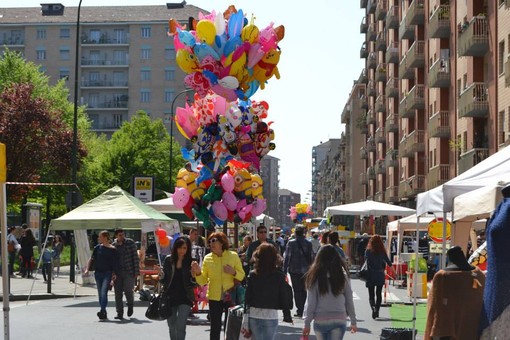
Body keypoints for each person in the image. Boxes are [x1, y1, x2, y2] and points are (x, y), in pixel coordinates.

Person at [191, 232, 245, 340]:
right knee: (215, 327)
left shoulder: (233, 256)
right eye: (209, 242)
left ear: (222, 242)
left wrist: (233, 272)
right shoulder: (207, 258)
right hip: (214, 297)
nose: (211, 243)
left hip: (231, 295)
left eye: (214, 240)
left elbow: (242, 275)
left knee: (230, 325)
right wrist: (197, 273)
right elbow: (202, 281)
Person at [425, 246, 485, 340]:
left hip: (447, 331)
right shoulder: (479, 275)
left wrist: (436, 330)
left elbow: (435, 306)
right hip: (474, 328)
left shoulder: (443, 276)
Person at [302, 245, 358, 340]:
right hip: (339, 317)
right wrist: (353, 321)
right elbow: (349, 299)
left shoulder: (314, 276)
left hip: (320, 319)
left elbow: (311, 302)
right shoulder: (342, 276)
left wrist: (307, 324)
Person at [242, 243, 293, 340]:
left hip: (254, 314)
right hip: (270, 314)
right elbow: (283, 296)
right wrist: (287, 315)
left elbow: (247, 296)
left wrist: (245, 314)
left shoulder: (253, 275)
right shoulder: (279, 276)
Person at [160, 236, 195, 340]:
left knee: (181, 325)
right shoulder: (168, 260)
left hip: (185, 297)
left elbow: (194, 283)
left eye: (184, 248)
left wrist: (194, 276)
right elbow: (164, 280)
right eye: (180, 248)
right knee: (172, 325)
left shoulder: (191, 262)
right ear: (175, 248)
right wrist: (161, 275)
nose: (182, 250)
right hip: (170, 297)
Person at [84, 230, 118, 320]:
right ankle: (103, 312)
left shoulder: (112, 249)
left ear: (105, 237)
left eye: (100, 236)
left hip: (108, 273)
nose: (99, 238)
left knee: (103, 292)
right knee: (100, 293)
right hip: (98, 273)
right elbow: (91, 259)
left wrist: (114, 274)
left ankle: (102, 310)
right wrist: (87, 269)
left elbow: (115, 263)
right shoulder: (97, 248)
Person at [283, 225, 313, 318]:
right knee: (304, 290)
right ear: (303, 233)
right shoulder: (308, 243)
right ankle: (303, 309)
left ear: (295, 233)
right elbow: (311, 257)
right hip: (306, 271)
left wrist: (284, 271)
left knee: (296, 291)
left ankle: (299, 310)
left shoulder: (291, 243)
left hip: (294, 270)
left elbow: (287, 257)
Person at [112, 228, 140, 320]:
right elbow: (111, 260)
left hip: (129, 271)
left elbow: (135, 257)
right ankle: (119, 312)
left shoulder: (130, 242)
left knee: (128, 291)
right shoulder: (113, 245)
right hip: (117, 272)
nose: (122, 236)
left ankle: (130, 305)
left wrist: (136, 272)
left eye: (123, 234)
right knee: (118, 293)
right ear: (116, 236)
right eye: (120, 235)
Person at [364, 235, 392, 319]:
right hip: (380, 274)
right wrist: (395, 273)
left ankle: (373, 307)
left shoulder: (368, 251)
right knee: (379, 293)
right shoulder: (382, 251)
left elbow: (365, 261)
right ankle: (377, 309)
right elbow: (388, 262)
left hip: (370, 274)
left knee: (371, 294)